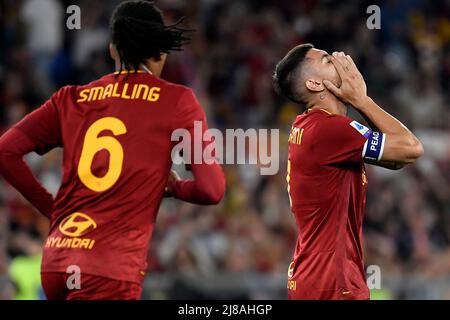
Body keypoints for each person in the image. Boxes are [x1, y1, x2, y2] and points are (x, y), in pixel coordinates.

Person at [0, 0, 225, 300]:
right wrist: (174, 187)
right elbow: (212, 189)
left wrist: (54, 212)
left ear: (112, 50)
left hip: (57, 262)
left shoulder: (71, 98)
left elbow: (5, 151)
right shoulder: (178, 101)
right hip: (109, 270)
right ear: (161, 53)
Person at [272, 44, 423, 300]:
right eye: (328, 61)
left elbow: (397, 161)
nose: (343, 62)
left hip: (317, 278)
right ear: (314, 84)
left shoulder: (315, 126)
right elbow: (411, 148)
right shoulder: (329, 130)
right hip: (332, 282)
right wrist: (362, 101)